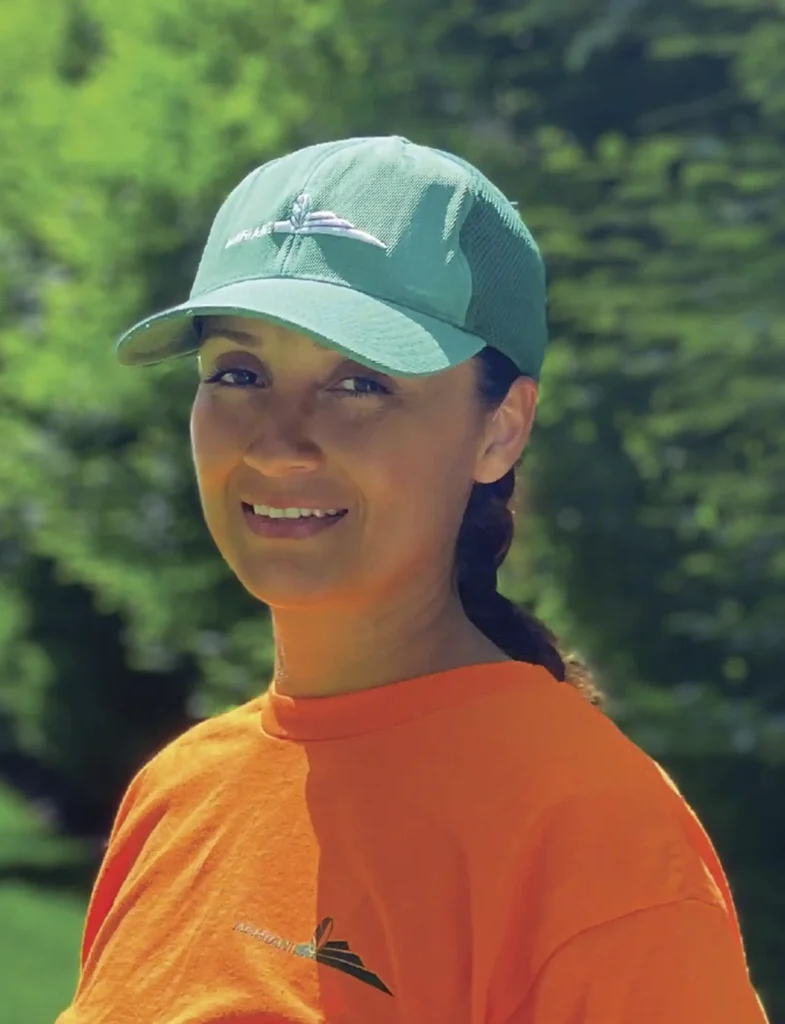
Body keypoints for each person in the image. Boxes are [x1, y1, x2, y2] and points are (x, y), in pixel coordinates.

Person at [55, 136, 769, 1023]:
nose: (278, 443)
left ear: (499, 430)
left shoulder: (597, 840)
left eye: (358, 383)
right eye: (238, 373)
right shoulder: (176, 795)